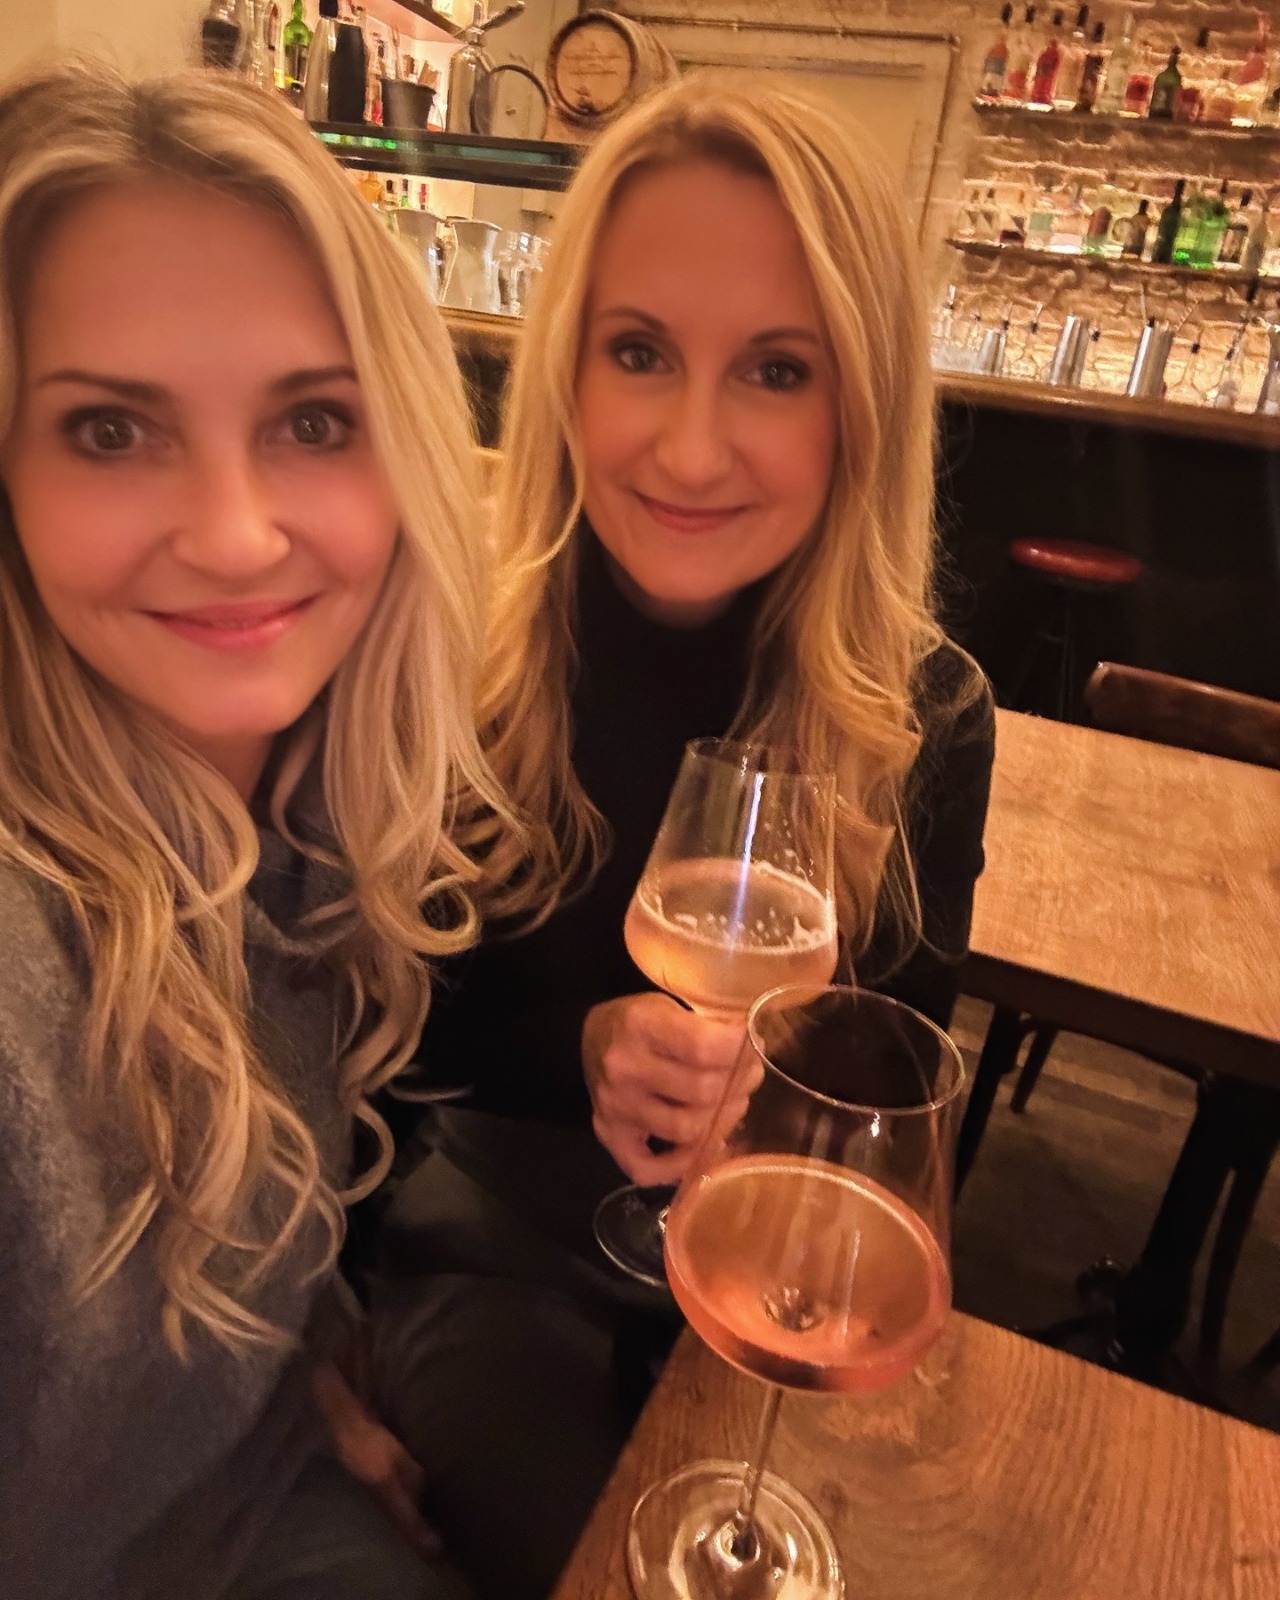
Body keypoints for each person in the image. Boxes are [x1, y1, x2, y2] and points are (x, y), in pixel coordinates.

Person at [371, 75, 996, 1600]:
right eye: (640, 352)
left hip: (764, 1298)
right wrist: (582, 1050)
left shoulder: (927, 711)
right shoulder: (444, 649)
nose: (694, 449)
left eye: (776, 370)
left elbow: (900, 1104)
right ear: (566, 369)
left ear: (860, 405)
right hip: (481, 1245)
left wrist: (774, 1100)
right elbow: (363, 1043)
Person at [0, 63, 519, 1600]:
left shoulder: (306, 818)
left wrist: (306, 1386)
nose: (234, 536)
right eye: (109, 430)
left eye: (310, 419)